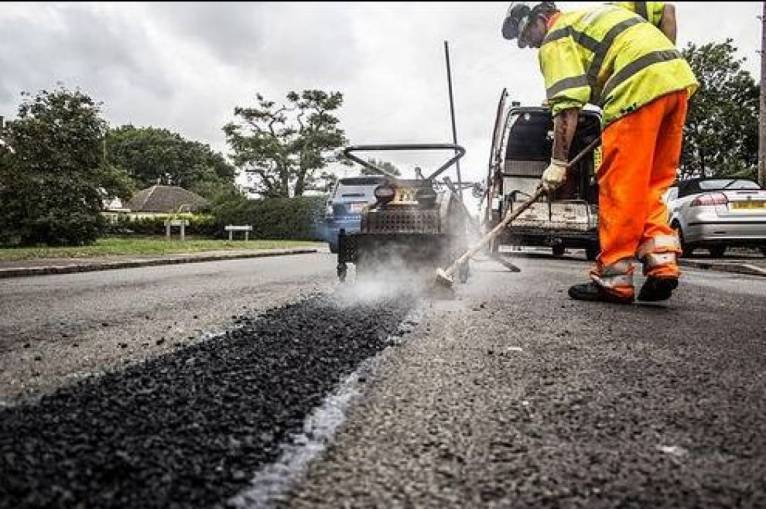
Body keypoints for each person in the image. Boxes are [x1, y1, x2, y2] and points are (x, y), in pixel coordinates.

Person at [501, 2, 698, 304]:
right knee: (651, 186)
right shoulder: (593, 18)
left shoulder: (557, 36)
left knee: (621, 186)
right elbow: (667, 11)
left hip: (637, 90)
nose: (531, 44)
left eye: (529, 34)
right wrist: (655, 73)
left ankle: (613, 279)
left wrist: (557, 164)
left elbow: (567, 107)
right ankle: (662, 264)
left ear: (542, 18)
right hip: (675, 82)